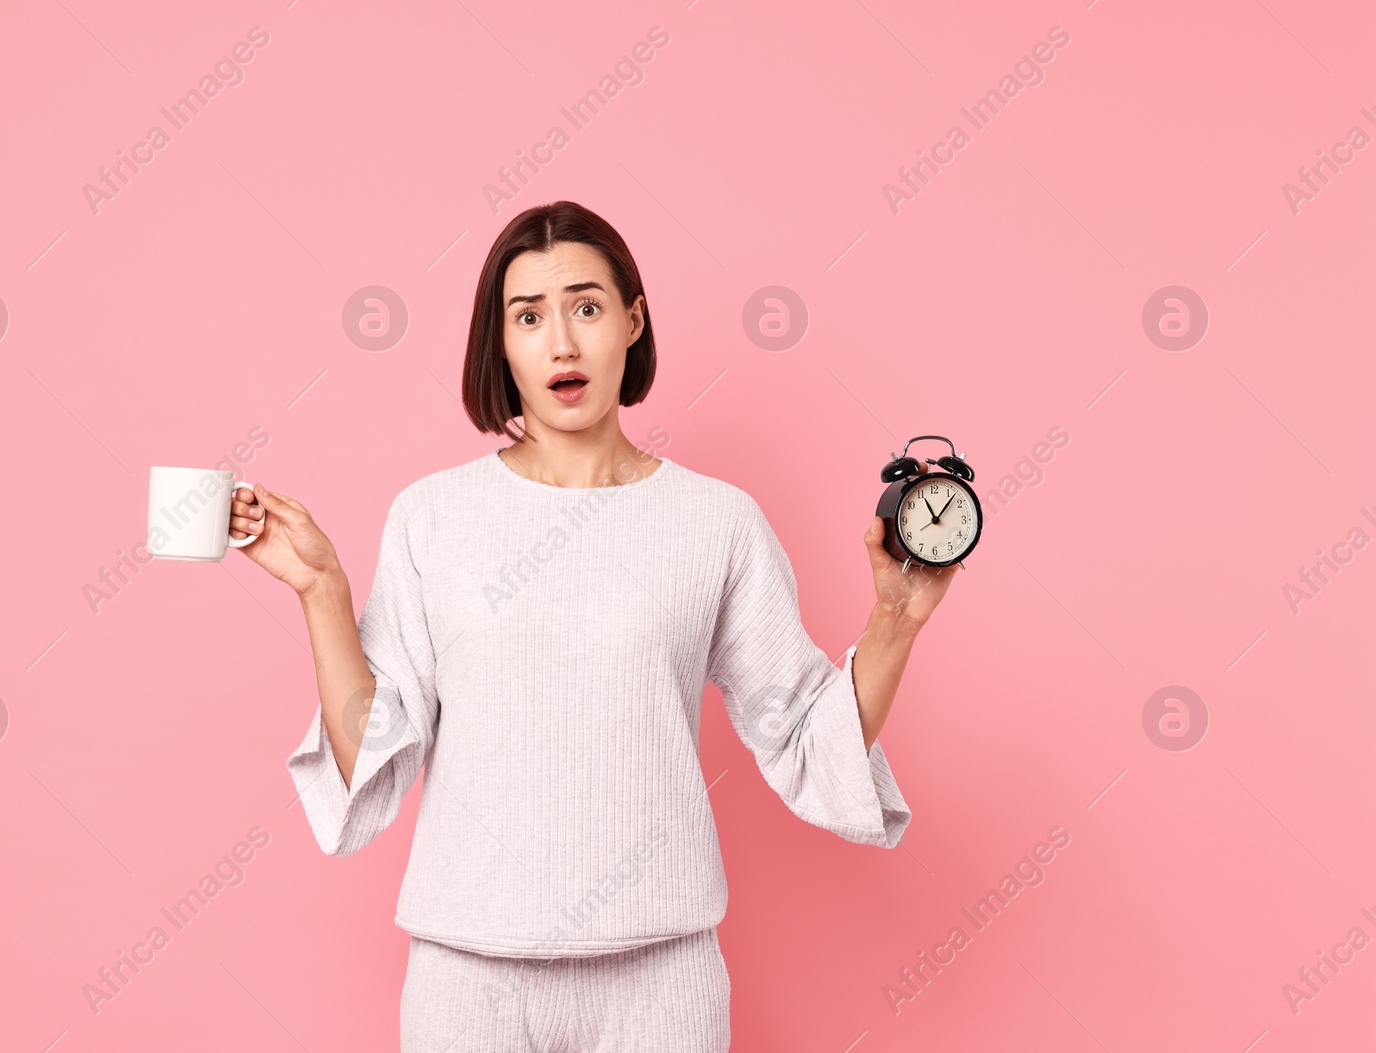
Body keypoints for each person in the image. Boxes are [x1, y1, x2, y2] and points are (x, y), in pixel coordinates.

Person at [231, 200, 958, 1051]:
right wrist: (321, 588)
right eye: (528, 317)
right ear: (500, 343)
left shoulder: (715, 521)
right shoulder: (433, 517)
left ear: (632, 320)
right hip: (469, 981)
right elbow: (373, 754)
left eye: (585, 306)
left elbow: (804, 732)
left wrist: (896, 623)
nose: (561, 344)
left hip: (662, 981)